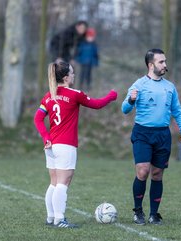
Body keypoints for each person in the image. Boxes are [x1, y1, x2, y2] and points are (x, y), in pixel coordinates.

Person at [34, 60, 118, 228]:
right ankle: (59, 219)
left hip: (51, 146)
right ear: (65, 77)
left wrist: (45, 137)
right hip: (65, 145)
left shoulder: (49, 95)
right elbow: (96, 104)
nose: (74, 75)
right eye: (72, 73)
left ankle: (51, 218)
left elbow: (37, 119)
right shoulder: (74, 94)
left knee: (54, 182)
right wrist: (111, 96)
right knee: (63, 183)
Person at [122, 48, 181, 225]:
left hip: (162, 134)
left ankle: (154, 214)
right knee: (143, 171)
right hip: (142, 133)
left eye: (165, 61)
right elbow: (125, 109)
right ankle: (138, 211)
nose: (165, 65)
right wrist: (131, 100)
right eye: (161, 62)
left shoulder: (170, 87)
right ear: (150, 64)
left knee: (157, 174)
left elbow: (177, 111)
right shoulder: (138, 84)